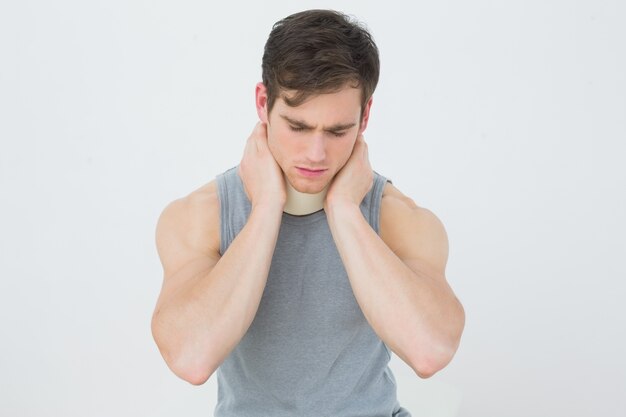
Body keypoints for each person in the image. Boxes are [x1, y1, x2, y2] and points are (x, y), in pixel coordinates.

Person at [151, 9, 465, 416]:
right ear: (264, 104)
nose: (316, 155)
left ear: (365, 117)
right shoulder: (199, 215)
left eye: (337, 131)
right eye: (297, 127)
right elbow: (191, 360)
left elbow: (430, 352)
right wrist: (266, 207)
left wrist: (345, 210)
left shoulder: (397, 217)